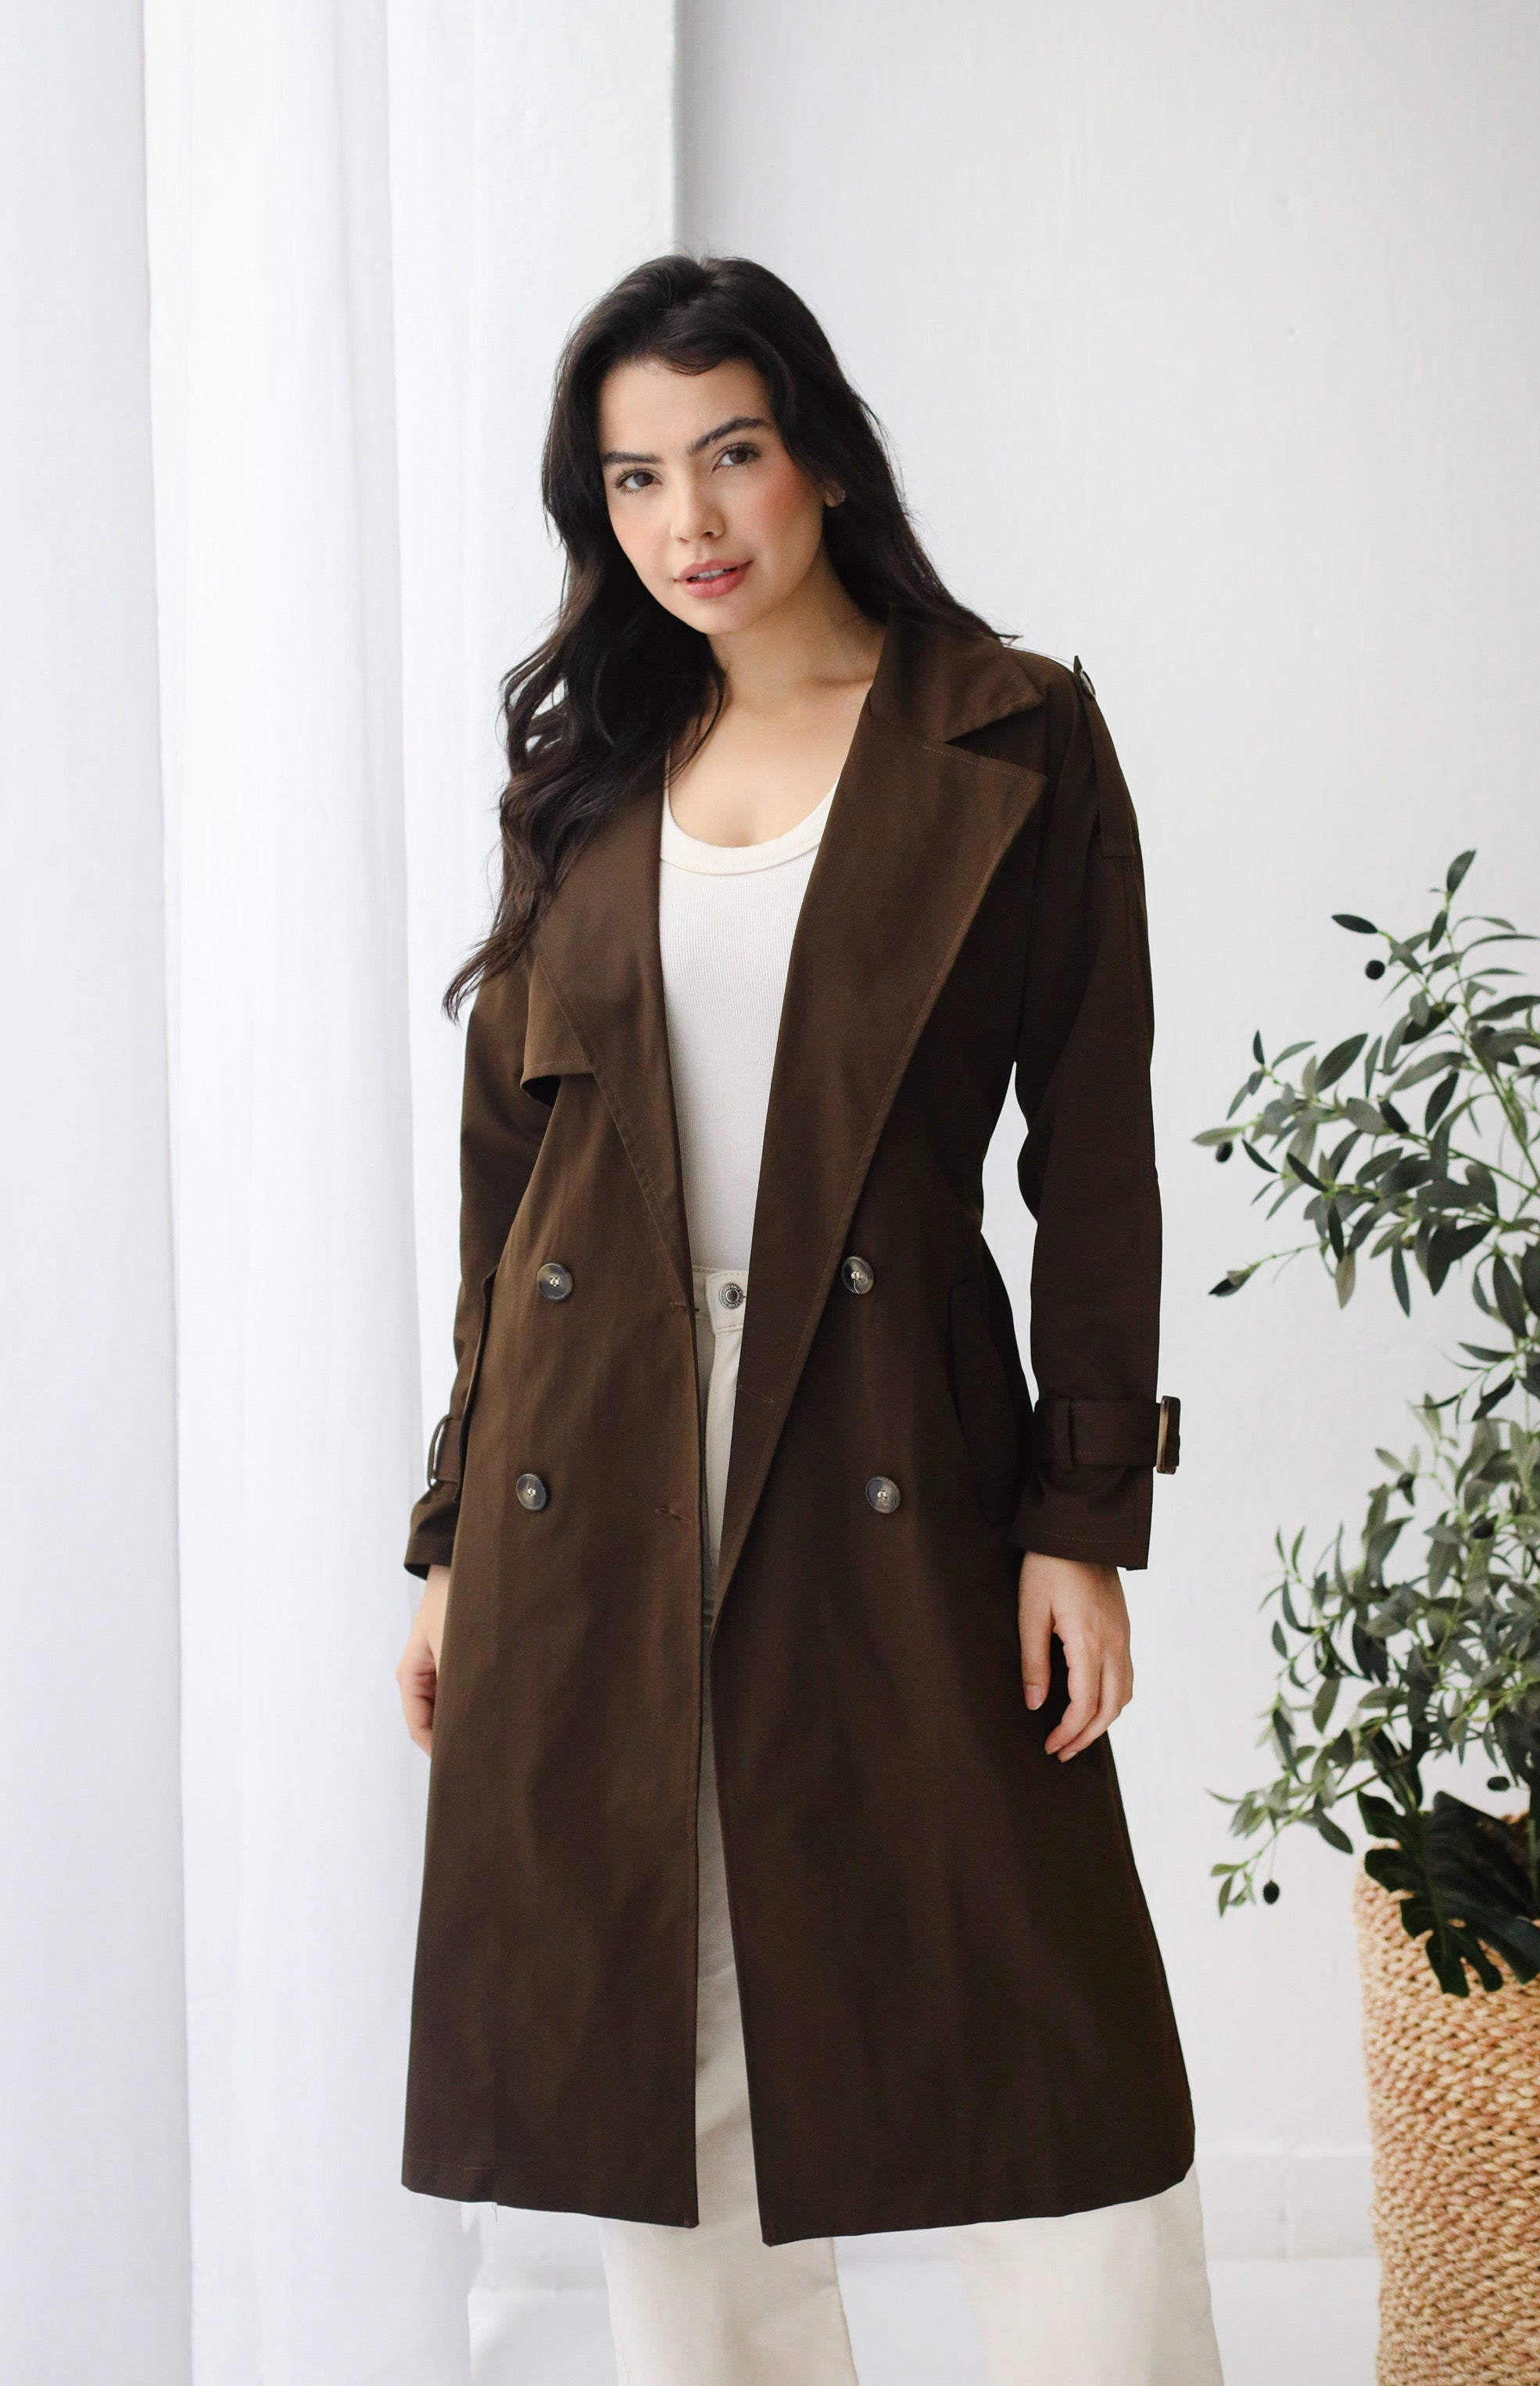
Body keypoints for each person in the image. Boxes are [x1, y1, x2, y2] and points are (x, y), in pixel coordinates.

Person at [395, 251, 1223, 2385]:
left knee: (1039, 2046)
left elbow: (1095, 1154)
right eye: (634, 478)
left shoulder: (1006, 731)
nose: (688, 520)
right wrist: (452, 1538)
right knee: (664, 2060)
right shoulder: (590, 773)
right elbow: (505, 1196)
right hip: (594, 1459)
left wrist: (1079, 1518)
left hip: (893, 1434)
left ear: (823, 459)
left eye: (732, 453)